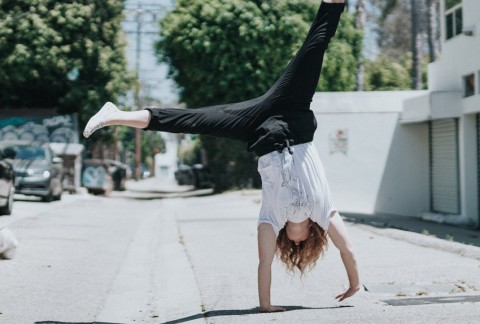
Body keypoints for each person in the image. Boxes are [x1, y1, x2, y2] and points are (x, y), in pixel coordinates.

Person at [83, 0, 360, 312]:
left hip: (259, 131)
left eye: (293, 245)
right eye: (303, 243)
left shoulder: (272, 220)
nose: (296, 243)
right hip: (292, 112)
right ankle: (333, 3)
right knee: (314, 48)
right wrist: (353, 284)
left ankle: (114, 115)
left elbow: (264, 264)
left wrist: (266, 306)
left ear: (288, 239)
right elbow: (347, 249)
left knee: (194, 121)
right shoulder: (325, 212)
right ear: (311, 235)